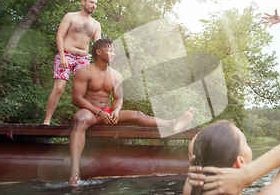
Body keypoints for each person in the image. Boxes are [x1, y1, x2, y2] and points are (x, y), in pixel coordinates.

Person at [69, 39, 194, 186]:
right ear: (98, 52)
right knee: (80, 119)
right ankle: (75, 172)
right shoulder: (84, 72)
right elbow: (76, 98)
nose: (113, 54)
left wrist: (116, 111)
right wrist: (97, 112)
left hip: (108, 112)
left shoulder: (115, 75)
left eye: (114, 51)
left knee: (137, 115)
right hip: (90, 112)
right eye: (110, 50)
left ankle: (172, 124)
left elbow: (118, 99)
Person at [43, 0, 102, 124]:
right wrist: (62, 56)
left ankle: (86, 121)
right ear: (83, 2)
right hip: (66, 54)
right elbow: (59, 36)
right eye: (91, 2)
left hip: (83, 58)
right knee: (59, 88)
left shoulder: (96, 24)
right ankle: (47, 121)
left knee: (87, 91)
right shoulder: (70, 16)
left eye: (95, 4)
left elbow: (97, 46)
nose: (93, 5)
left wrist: (97, 64)